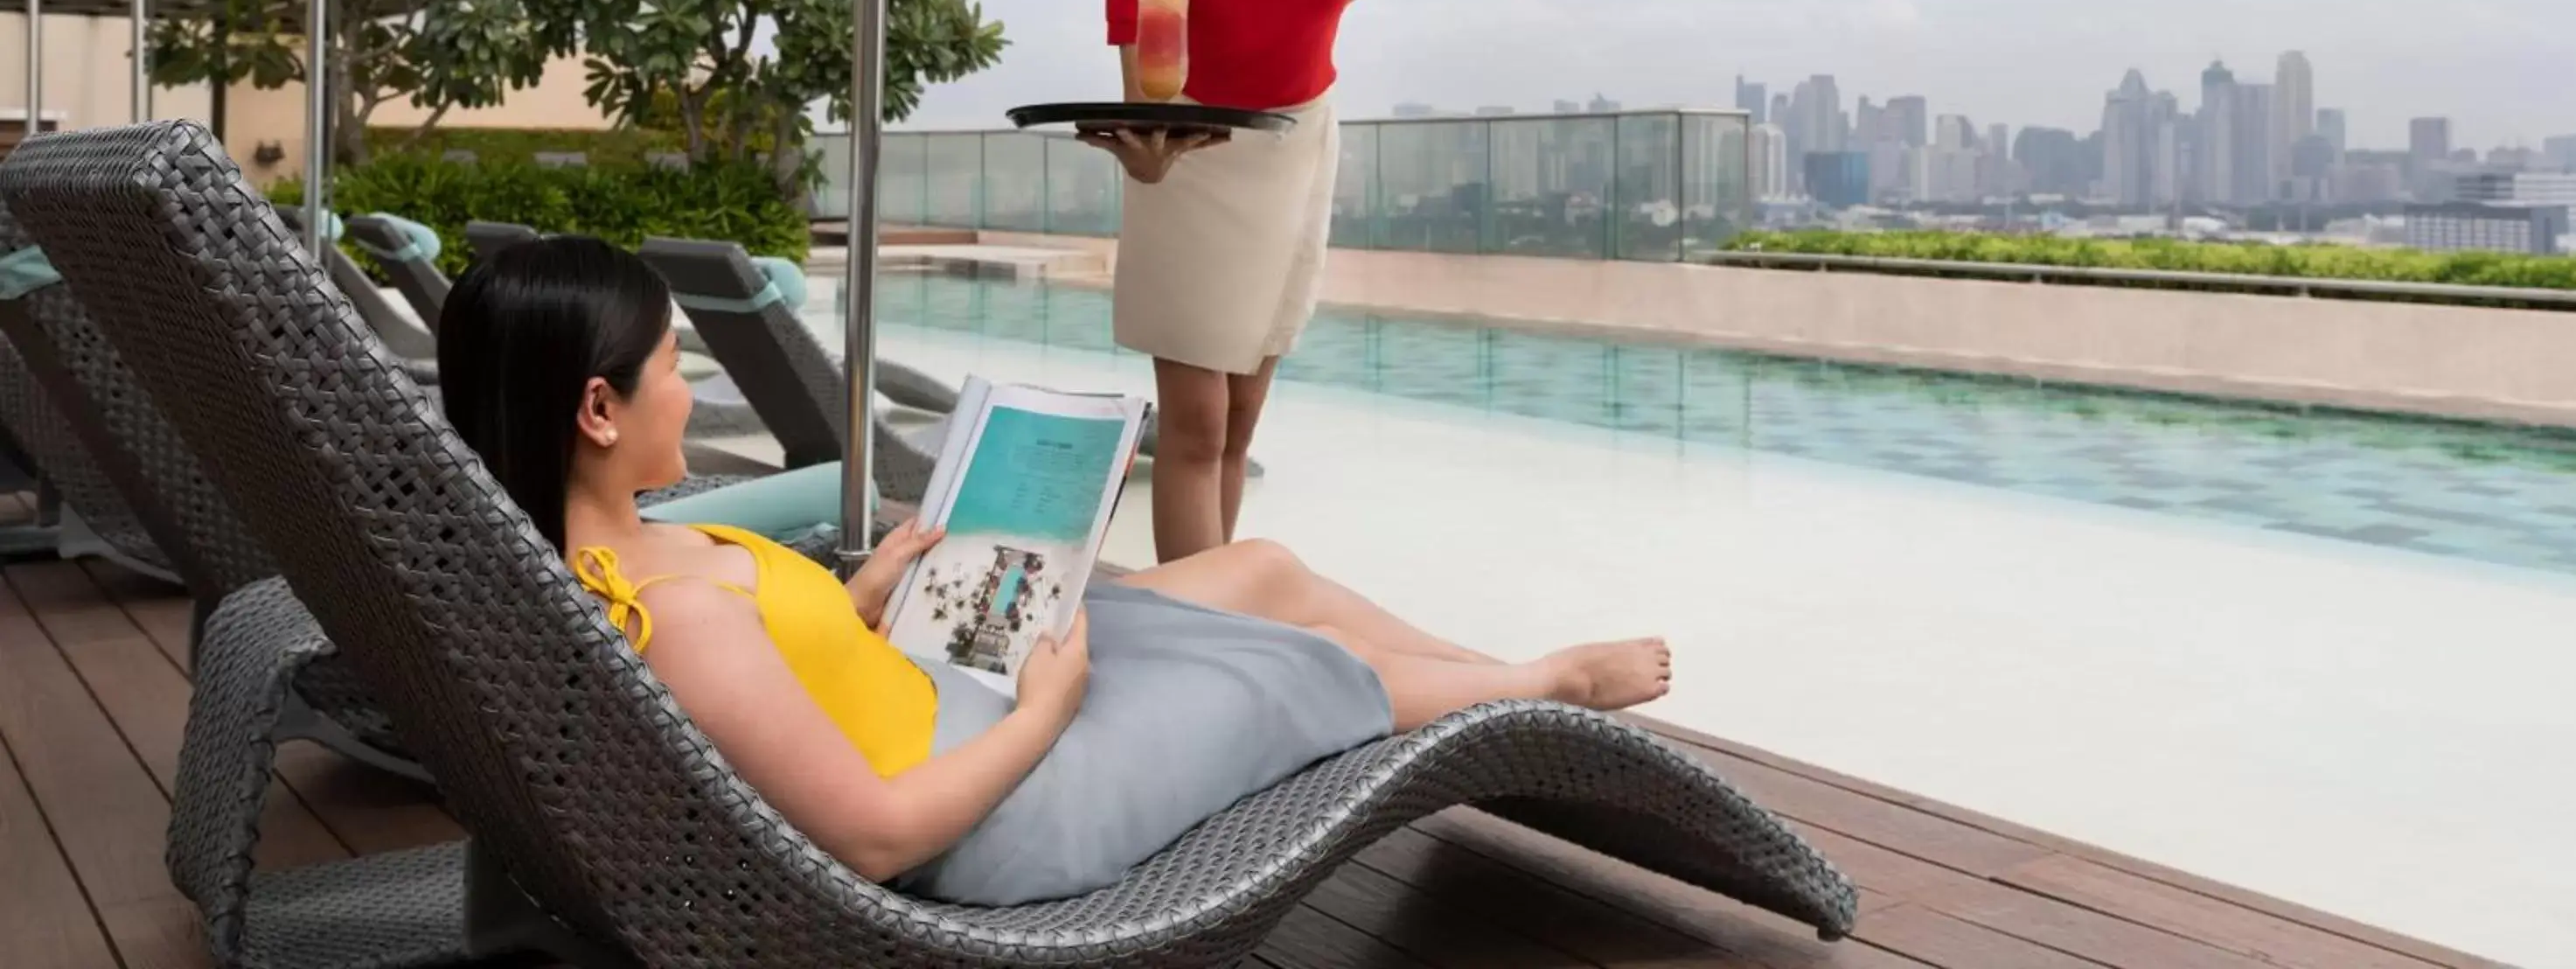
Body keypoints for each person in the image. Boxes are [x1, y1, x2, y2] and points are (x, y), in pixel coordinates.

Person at [438, 236, 1671, 906]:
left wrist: (853, 607)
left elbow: (780, 683)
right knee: (1303, 670)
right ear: (598, 408)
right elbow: (873, 843)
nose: (691, 385)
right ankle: (1537, 685)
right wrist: (1048, 713)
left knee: (1260, 570)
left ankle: (1486, 674)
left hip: (941, 697)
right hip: (1003, 810)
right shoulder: (677, 617)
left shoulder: (606, 559)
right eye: (671, 365)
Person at [1090, 0, 1392, 561]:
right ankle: (1195, 625)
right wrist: (1146, 152)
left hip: (1302, 142)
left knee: (1247, 408)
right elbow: (1147, 83)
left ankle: (1215, 600)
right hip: (1196, 161)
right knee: (1195, 419)